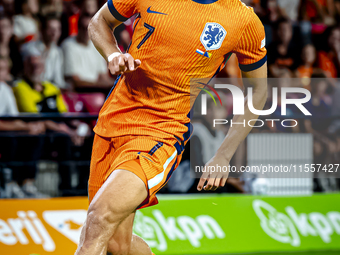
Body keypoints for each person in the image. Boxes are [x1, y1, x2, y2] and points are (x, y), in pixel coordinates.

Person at [77, 0, 268, 254]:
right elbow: (99, 21)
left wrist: (223, 155)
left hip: (162, 132)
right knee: (115, 244)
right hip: (113, 120)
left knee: (99, 217)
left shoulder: (244, 21)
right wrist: (113, 53)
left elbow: (259, 92)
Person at [61, 13, 113, 91]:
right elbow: (75, 81)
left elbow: (103, 77)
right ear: (78, 28)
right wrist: (100, 85)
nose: (87, 31)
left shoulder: (97, 45)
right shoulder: (68, 45)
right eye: (84, 28)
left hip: (97, 91)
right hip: (79, 92)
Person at [22, 14, 66, 89]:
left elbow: (58, 80)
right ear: (42, 30)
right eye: (51, 29)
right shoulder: (29, 48)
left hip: (49, 90)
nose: (54, 33)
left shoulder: (58, 52)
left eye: (57, 29)